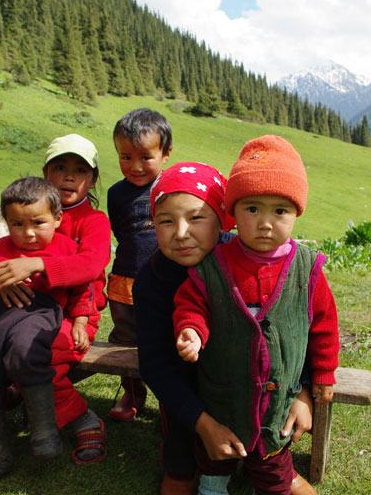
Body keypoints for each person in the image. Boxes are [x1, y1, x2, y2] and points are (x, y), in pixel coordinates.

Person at [135, 161, 319, 495]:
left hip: (251, 384)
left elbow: (293, 329)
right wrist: (202, 424)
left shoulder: (248, 257)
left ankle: (277, 468)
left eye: (195, 218)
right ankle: (187, 467)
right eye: (165, 221)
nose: (180, 232)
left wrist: (303, 391)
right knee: (180, 471)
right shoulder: (151, 279)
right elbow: (156, 364)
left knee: (269, 434)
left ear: (222, 219)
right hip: (184, 389)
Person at [172, 136, 340, 495]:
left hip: (277, 404)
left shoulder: (307, 269)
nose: (265, 222)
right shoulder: (214, 264)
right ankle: (213, 487)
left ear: (296, 213)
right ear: (234, 212)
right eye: (252, 209)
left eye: (280, 211)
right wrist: (191, 330)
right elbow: (193, 303)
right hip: (222, 397)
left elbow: (324, 325)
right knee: (213, 462)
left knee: (273, 465)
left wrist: (323, 374)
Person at [0, 134, 111, 466]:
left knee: (36, 358)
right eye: (60, 167)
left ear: (92, 179)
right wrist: (0, 281)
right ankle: (0, 402)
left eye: (80, 170)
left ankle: (82, 419)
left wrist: (37, 264)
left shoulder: (94, 221)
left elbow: (91, 265)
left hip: (75, 311)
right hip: (16, 308)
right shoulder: (27, 211)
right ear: (45, 174)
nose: (69, 176)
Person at [106, 107, 172, 421]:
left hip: (165, 281)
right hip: (123, 280)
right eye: (125, 157)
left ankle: (172, 397)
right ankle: (133, 391)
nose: (134, 166)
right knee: (125, 339)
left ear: (166, 153)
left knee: (166, 338)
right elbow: (120, 231)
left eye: (145, 157)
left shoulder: (172, 189)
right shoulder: (115, 194)